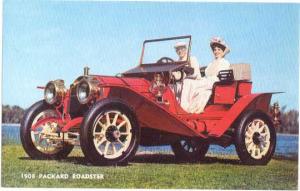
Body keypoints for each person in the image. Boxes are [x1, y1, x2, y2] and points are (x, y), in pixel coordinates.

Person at [180, 37, 230, 113]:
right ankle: (183, 106)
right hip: (207, 80)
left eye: (219, 50)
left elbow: (222, 75)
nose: (216, 51)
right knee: (187, 81)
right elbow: (205, 73)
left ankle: (187, 108)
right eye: (215, 50)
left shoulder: (225, 62)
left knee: (193, 84)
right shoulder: (211, 64)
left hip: (215, 82)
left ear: (223, 51)